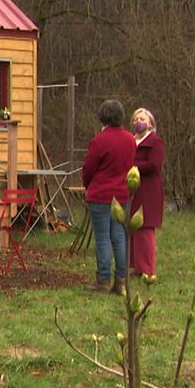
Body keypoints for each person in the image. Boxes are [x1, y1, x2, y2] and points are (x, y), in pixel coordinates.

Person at [81, 99, 136, 294]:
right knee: (119, 237)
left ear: (103, 117)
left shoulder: (99, 140)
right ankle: (121, 282)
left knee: (103, 237)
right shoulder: (131, 139)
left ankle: (103, 280)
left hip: (101, 195)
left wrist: (88, 185)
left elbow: (88, 168)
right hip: (122, 194)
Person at [128, 107, 165, 277]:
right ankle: (136, 266)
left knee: (145, 228)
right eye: (135, 119)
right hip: (132, 189)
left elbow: (154, 164)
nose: (138, 122)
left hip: (148, 190)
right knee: (133, 228)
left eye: (142, 118)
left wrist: (134, 166)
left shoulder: (156, 142)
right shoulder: (131, 140)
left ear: (150, 123)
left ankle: (147, 269)